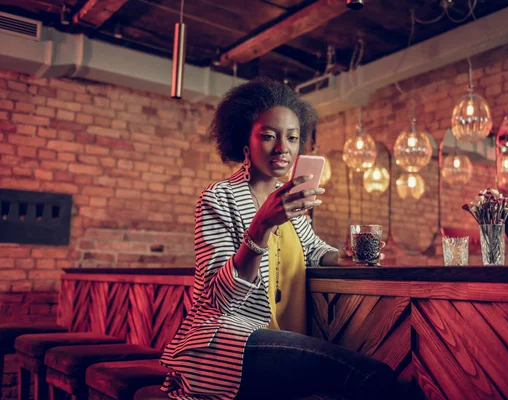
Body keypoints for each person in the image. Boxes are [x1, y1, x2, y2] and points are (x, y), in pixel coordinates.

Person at [160, 78, 402, 400]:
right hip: (230, 342)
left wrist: (342, 257)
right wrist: (262, 225)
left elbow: (313, 250)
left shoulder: (289, 199)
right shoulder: (219, 197)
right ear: (245, 143)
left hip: (280, 337)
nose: (282, 148)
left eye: (292, 137)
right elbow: (218, 298)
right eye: (268, 136)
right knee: (372, 378)